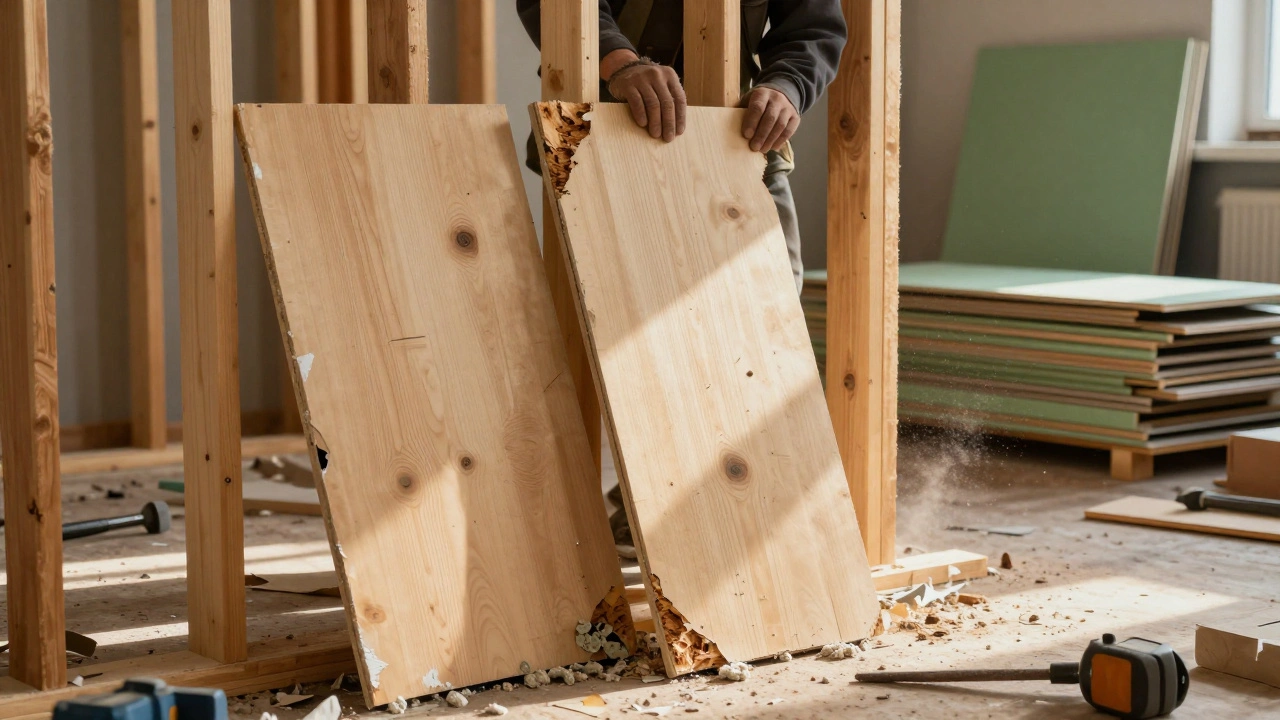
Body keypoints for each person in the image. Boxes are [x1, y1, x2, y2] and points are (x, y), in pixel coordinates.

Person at [516, 0, 847, 556]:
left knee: (769, 326)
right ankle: (587, 525)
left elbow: (813, 27)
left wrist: (787, 86)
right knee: (624, 333)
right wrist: (618, 62)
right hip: (603, 125)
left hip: (734, 137)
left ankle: (692, 512)